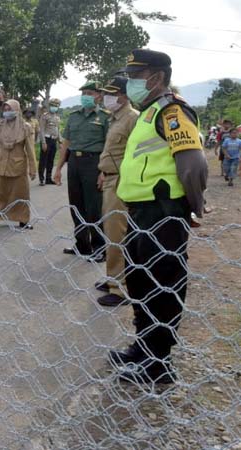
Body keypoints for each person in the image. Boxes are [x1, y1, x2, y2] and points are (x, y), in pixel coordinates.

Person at [112, 49, 208, 385]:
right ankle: (142, 347)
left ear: (157, 78)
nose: (131, 81)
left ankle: (159, 362)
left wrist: (194, 206)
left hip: (164, 212)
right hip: (141, 212)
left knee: (161, 284)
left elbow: (193, 164)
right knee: (139, 282)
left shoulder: (172, 111)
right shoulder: (148, 112)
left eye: (137, 76)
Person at [95, 76, 139, 307]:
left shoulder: (133, 118)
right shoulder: (115, 118)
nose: (106, 97)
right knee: (111, 231)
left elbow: (135, 154)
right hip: (111, 179)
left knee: (117, 234)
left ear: (123, 95)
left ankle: (120, 288)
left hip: (122, 182)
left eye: (111, 93)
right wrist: (104, 171)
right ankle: (113, 277)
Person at [53, 81, 109, 261]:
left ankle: (100, 247)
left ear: (99, 96)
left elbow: (109, 146)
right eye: (84, 92)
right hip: (74, 162)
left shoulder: (106, 117)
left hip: (94, 163)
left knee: (94, 207)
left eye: (90, 93)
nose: (86, 96)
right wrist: (58, 168)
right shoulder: (74, 116)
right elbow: (66, 144)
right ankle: (82, 245)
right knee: (76, 205)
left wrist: (104, 171)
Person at [0, 99, 37, 229]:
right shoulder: (0, 126)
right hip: (0, 165)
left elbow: (30, 149)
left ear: (17, 111)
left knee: (21, 193)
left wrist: (33, 169)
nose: (7, 112)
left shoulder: (25, 127)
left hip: (18, 166)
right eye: (5, 110)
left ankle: (23, 220)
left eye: (10, 109)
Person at [38, 98, 62, 186]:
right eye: (53, 105)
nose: (54, 107)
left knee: (51, 160)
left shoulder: (57, 117)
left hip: (54, 140)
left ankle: (48, 178)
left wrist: (60, 141)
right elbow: (42, 130)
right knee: (43, 160)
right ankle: (41, 179)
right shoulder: (45, 116)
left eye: (56, 105)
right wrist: (43, 142)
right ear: (50, 106)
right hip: (46, 140)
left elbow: (58, 130)